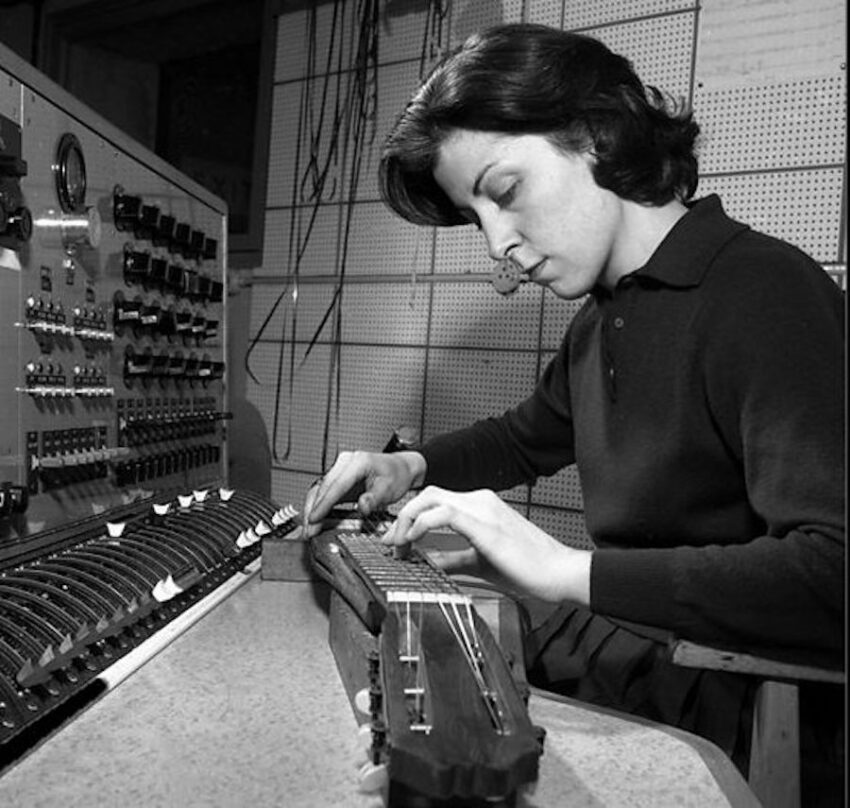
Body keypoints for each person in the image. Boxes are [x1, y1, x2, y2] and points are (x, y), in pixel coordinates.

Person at [302, 22, 845, 799]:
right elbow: (523, 438)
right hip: (653, 655)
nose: (497, 245)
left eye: (505, 192)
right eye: (477, 217)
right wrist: (407, 466)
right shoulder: (604, 321)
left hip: (743, 704)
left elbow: (833, 572)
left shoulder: (762, 292)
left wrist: (565, 572)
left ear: (593, 133)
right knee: (410, 668)